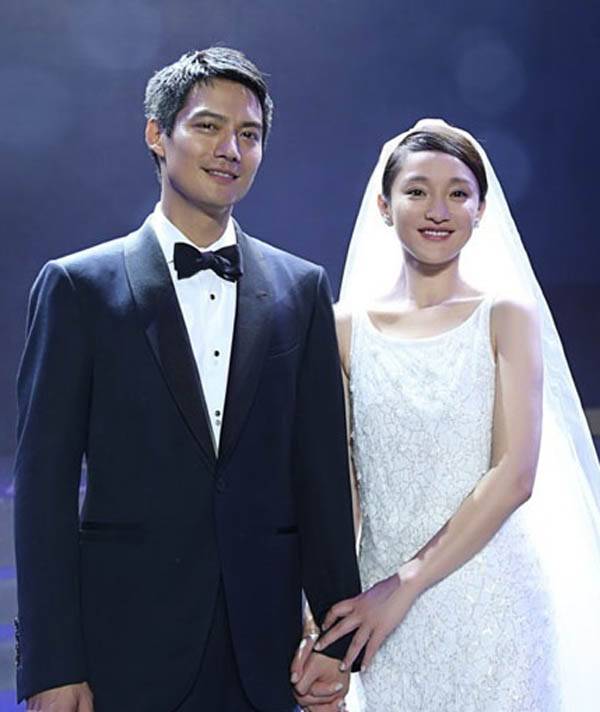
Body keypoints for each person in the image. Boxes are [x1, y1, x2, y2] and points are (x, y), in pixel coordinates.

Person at [13, 47, 361, 712]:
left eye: (249, 134)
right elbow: (43, 492)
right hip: (123, 650)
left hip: (267, 656)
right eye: (208, 126)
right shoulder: (78, 287)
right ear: (157, 133)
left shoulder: (302, 288)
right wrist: (51, 667)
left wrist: (334, 639)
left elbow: (319, 474)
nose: (230, 149)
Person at [292, 120, 600, 710]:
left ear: (481, 210)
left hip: (491, 606)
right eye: (417, 191)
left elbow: (515, 475)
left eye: (458, 193)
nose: (438, 210)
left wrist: (405, 583)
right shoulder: (343, 328)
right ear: (384, 206)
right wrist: (321, 621)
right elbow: (344, 488)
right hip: (378, 617)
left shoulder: (505, 316)